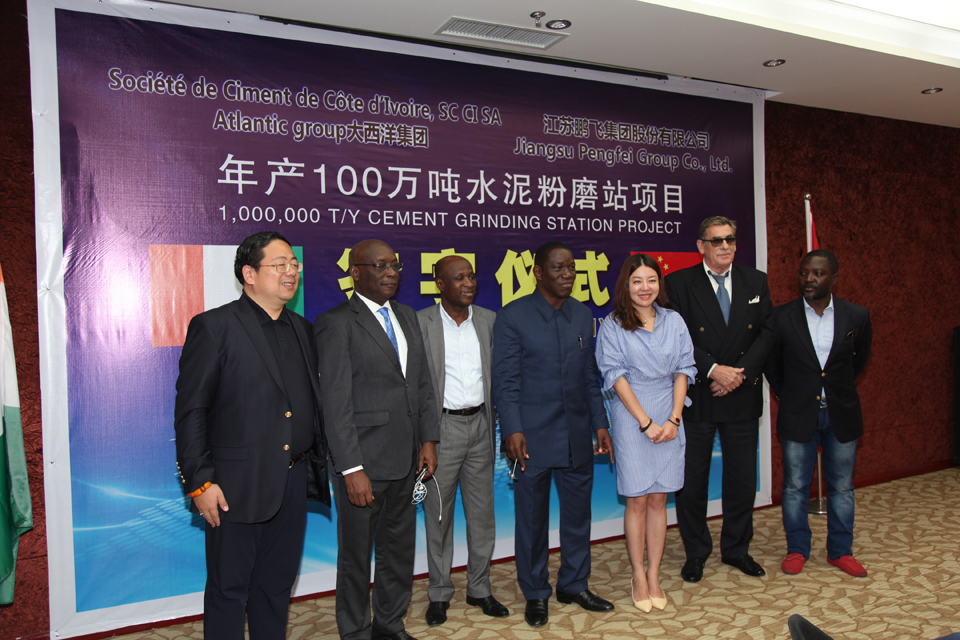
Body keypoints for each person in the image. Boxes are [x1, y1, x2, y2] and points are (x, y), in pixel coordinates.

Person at [174, 231, 328, 640]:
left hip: (292, 480)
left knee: (276, 587)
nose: (291, 272)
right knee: (229, 590)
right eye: (280, 264)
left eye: (294, 264)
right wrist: (200, 481)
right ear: (249, 274)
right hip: (233, 485)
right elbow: (191, 411)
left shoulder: (303, 329)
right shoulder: (214, 327)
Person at [315, 239, 440, 640]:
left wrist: (428, 439)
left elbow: (421, 383)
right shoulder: (336, 323)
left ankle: (389, 623)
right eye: (380, 266)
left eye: (395, 265)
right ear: (355, 273)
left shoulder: (406, 316)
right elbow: (335, 402)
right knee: (356, 556)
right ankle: (355, 630)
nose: (391, 273)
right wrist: (350, 468)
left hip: (407, 459)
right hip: (363, 464)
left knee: (398, 550)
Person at [492, 241, 615, 627]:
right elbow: (505, 382)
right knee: (532, 520)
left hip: (577, 434)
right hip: (531, 438)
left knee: (578, 516)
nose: (567, 275)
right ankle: (535, 592)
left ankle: (574, 584)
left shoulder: (582, 314)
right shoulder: (513, 317)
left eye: (571, 268)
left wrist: (600, 424)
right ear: (538, 273)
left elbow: (590, 378)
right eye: (558, 268)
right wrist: (511, 429)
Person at [665, 215, 774, 582]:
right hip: (699, 394)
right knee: (692, 481)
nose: (725, 246)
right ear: (701, 246)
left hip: (741, 392)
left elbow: (767, 333)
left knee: (742, 479)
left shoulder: (755, 281)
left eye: (730, 239)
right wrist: (714, 370)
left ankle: (737, 549)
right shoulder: (679, 283)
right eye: (716, 240)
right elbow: (677, 338)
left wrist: (737, 375)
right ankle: (696, 552)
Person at [595, 254, 696, 612]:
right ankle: (637, 574)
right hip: (632, 416)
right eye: (637, 281)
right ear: (626, 285)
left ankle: (654, 574)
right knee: (637, 499)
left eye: (651, 280)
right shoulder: (612, 325)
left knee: (659, 499)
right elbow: (615, 377)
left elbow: (684, 370)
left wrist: (673, 420)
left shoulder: (674, 321)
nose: (645, 287)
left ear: (659, 284)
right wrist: (646, 423)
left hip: (670, 413)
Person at [765, 250, 872, 577]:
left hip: (841, 414)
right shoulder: (781, 317)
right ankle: (797, 549)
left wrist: (833, 390)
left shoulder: (857, 316)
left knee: (842, 488)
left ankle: (841, 551)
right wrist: (790, 396)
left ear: (834, 278)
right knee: (795, 487)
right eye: (804, 272)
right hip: (798, 413)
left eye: (818, 273)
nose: (808, 279)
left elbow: (858, 362)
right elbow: (773, 366)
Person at [417, 255, 508, 625]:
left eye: (471, 276)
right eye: (459, 278)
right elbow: (415, 386)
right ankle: (439, 592)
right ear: (440, 284)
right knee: (438, 516)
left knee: (482, 514)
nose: (469, 283)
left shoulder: (489, 320)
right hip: (442, 431)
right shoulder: (420, 323)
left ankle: (479, 588)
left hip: (482, 426)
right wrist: (425, 438)